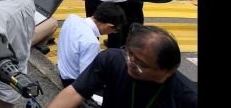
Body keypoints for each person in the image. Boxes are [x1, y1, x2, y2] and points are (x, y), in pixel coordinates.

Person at [50, 25, 197, 107]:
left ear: (167, 70)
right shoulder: (113, 59)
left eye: (141, 65)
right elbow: (75, 93)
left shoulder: (188, 97)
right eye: (129, 54)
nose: (131, 63)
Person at [57, 2, 127, 87]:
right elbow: (87, 77)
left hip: (62, 70)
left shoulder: (71, 18)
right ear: (109, 26)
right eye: (115, 30)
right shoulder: (92, 42)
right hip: (72, 82)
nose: (113, 32)